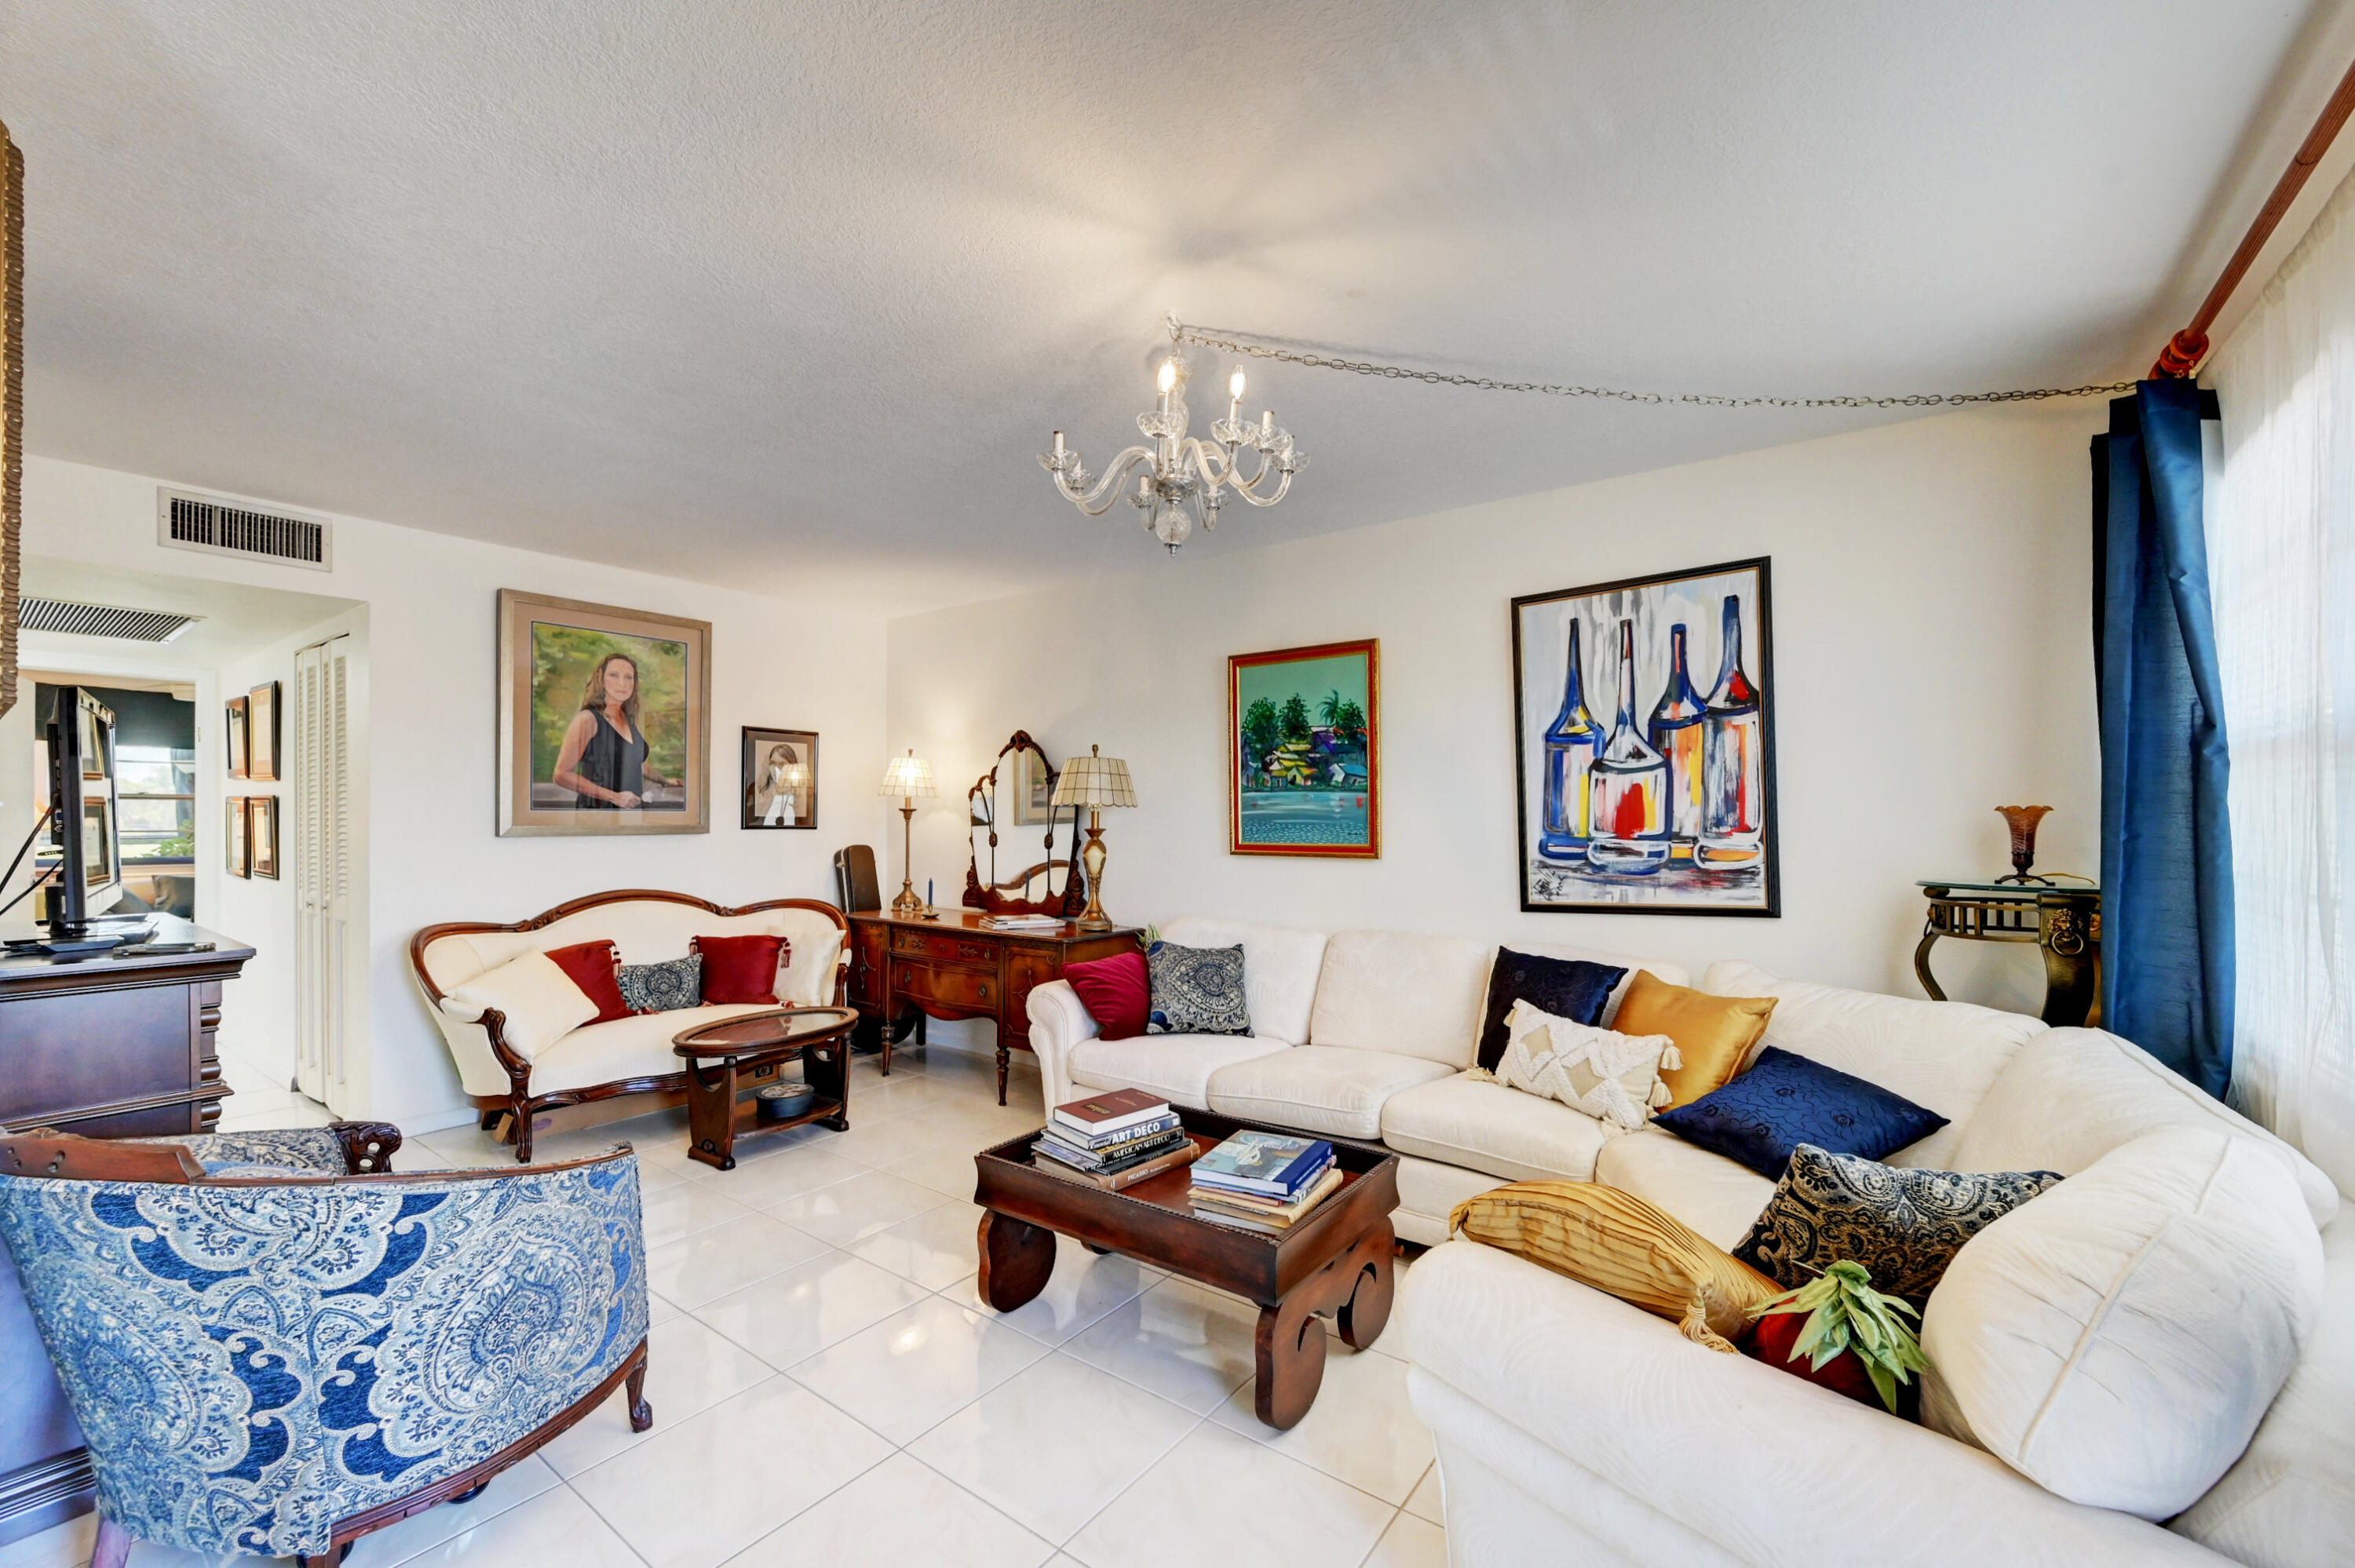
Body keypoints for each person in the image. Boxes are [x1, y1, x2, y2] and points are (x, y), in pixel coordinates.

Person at [552, 652, 678, 809]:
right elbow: (561, 774)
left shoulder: (629, 719)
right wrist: (614, 797)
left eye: (629, 677)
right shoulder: (588, 719)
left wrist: (663, 780)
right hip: (597, 814)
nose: (622, 683)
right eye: (614, 675)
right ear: (601, 681)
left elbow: (636, 762)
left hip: (631, 814)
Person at [753, 742, 801, 826]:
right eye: (773, 763)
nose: (776, 769)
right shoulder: (764, 796)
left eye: (782, 764)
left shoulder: (799, 800)